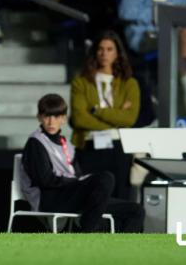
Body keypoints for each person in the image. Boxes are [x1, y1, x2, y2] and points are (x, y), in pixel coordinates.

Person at [21, 93, 144, 232]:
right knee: (105, 178)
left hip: (71, 196)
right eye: (46, 116)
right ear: (39, 117)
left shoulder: (66, 144)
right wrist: (77, 182)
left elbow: (77, 174)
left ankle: (120, 251)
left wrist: (80, 181)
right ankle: (86, 232)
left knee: (136, 211)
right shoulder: (35, 142)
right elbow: (45, 180)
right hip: (50, 199)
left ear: (63, 119)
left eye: (56, 116)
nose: (51, 122)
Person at [69, 31, 140, 201]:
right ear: (95, 52)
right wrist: (116, 118)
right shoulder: (81, 82)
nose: (104, 53)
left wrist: (96, 111)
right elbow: (79, 118)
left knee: (120, 196)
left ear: (117, 53)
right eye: (100, 49)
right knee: (90, 198)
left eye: (110, 49)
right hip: (89, 145)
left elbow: (129, 119)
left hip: (119, 146)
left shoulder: (129, 83)